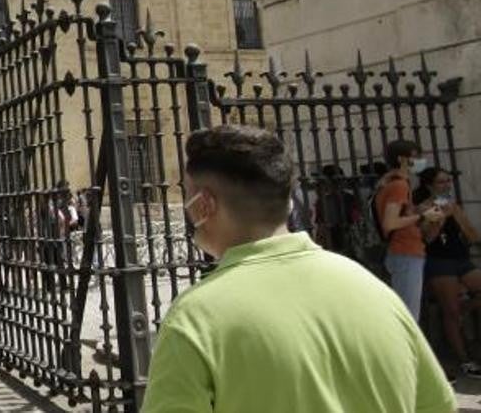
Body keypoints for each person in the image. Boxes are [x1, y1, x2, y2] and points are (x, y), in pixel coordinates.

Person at [142, 125, 454, 413]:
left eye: (187, 196)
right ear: (291, 203)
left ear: (203, 204)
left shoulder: (195, 319)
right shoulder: (375, 293)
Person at [414, 166, 481, 378]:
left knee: (457, 308)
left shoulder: (454, 205)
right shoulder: (422, 208)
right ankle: (465, 360)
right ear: (430, 186)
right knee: (450, 311)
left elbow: (472, 235)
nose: (446, 185)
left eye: (448, 181)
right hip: (439, 263)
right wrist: (439, 218)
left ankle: (464, 309)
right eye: (441, 182)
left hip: (461, 259)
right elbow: (427, 239)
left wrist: (456, 215)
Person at [375, 139, 444, 320]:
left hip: (405, 252)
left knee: (408, 313)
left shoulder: (395, 183)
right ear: (402, 159)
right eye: (416, 156)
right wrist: (423, 216)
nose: (421, 160)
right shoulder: (399, 185)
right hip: (405, 252)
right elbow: (390, 223)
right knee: (409, 316)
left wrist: (418, 211)